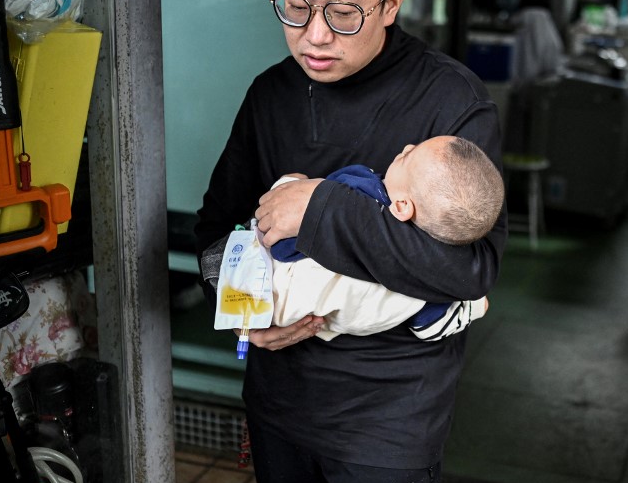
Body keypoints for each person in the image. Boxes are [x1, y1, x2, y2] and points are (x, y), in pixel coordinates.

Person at [194, 0, 506, 483]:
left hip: (389, 416)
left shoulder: (450, 103)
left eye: (342, 12)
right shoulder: (272, 94)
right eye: (295, 5)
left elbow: (470, 272)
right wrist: (243, 315)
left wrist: (319, 210)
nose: (314, 35)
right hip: (281, 399)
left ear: (391, 4)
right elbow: (214, 229)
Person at [201, 135, 504, 341]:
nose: (407, 146)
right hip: (321, 323)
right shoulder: (426, 283)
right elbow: (430, 329)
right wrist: (474, 307)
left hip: (264, 294)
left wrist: (293, 183)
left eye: (409, 156)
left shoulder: (358, 188)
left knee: (281, 201)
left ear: (401, 206)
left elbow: (280, 246)